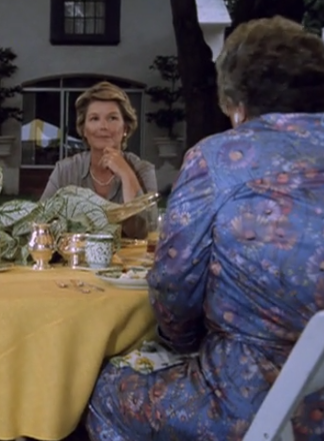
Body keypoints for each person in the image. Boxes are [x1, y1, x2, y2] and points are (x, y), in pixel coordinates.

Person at [86, 16, 324, 440]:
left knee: (105, 391)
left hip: (254, 401)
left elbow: (174, 291)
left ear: (236, 102)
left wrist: (178, 341)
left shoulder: (220, 159)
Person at [40, 82, 157, 239]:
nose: (103, 126)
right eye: (94, 118)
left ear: (125, 128)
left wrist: (126, 173)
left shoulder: (143, 170)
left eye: (112, 118)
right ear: (84, 130)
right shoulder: (65, 171)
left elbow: (147, 232)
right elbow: (39, 223)